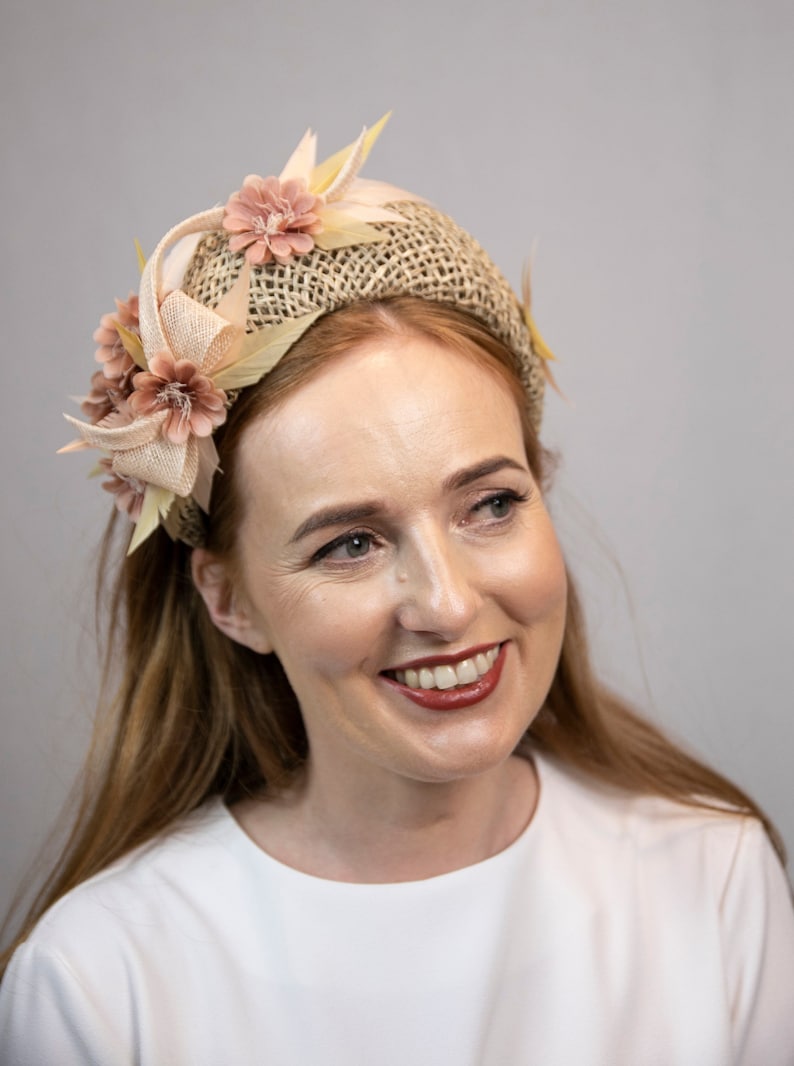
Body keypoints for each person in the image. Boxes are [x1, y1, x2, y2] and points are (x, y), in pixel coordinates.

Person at [1, 116, 792, 1066]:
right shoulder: (100, 983)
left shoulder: (713, 882)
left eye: (491, 503)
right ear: (228, 599)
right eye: (351, 544)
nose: (448, 605)